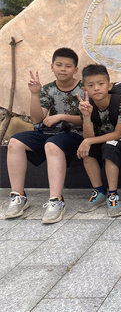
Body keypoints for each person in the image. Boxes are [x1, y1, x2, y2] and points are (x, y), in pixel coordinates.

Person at [5, 47, 84, 224]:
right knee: (15, 142)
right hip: (51, 132)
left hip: (75, 134)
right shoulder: (48, 89)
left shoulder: (83, 88)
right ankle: (18, 196)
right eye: (59, 65)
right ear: (52, 67)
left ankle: (56, 201)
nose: (63, 69)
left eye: (68, 66)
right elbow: (37, 119)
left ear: (75, 69)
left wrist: (62, 116)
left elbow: (87, 119)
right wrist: (35, 94)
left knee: (52, 145)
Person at [77, 64, 121, 218]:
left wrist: (89, 141)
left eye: (101, 83)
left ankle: (112, 194)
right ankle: (98, 191)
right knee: (87, 150)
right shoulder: (86, 105)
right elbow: (88, 136)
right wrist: (86, 116)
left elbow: (118, 134)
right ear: (84, 89)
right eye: (91, 85)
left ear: (109, 86)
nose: (96, 88)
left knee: (109, 147)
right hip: (101, 137)